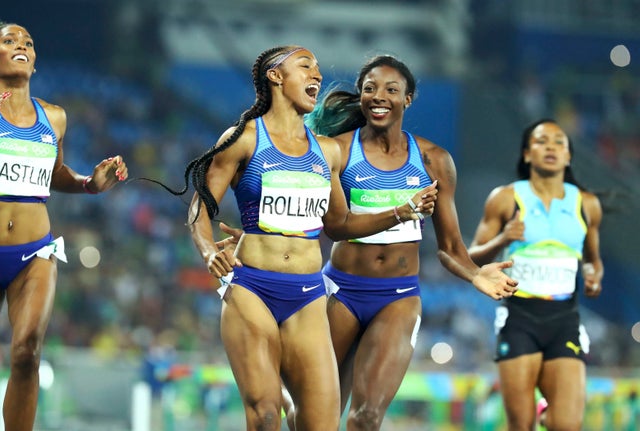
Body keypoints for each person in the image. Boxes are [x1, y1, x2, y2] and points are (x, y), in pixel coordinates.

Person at [176, 45, 452, 431]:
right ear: (275, 76)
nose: (317, 76)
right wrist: (207, 250)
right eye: (305, 67)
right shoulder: (243, 138)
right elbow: (199, 207)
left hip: (309, 295)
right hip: (252, 288)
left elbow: (339, 226)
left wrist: (399, 213)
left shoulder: (326, 152)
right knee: (266, 414)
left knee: (317, 423)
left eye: (318, 69)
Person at [0, 20, 128, 431]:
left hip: (35, 253)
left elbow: (53, 175)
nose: (22, 46)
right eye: (10, 41)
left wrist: (88, 183)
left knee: (27, 353)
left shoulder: (54, 117)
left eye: (29, 43)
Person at [297, 54, 519, 431]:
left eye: (391, 90)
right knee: (311, 418)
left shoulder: (434, 161)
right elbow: (336, 227)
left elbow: (450, 248)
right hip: (340, 291)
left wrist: (476, 274)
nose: (378, 96)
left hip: (397, 296)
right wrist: (401, 211)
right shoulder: (337, 150)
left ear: (408, 99)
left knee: (366, 418)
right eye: (370, 89)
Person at [467, 118, 603, 431]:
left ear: (569, 156)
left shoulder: (587, 204)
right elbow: (470, 257)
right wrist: (503, 240)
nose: (551, 148)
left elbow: (593, 261)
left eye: (559, 143)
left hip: (564, 318)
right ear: (527, 154)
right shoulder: (505, 198)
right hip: (519, 318)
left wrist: (592, 275)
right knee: (521, 425)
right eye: (542, 141)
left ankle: (546, 412)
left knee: (567, 424)